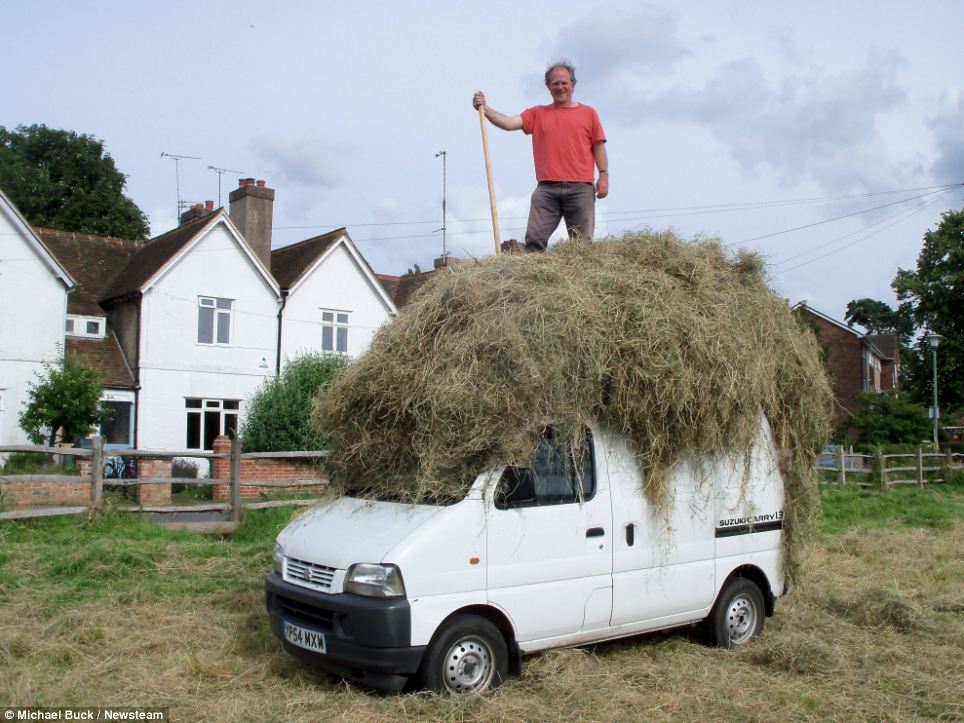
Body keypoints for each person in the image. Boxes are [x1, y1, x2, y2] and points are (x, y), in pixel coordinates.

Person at [473, 60, 608, 253]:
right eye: (555, 83)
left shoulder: (588, 114)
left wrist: (604, 174)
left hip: (580, 187)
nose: (560, 87)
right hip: (547, 190)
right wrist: (485, 109)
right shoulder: (538, 113)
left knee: (582, 246)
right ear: (548, 86)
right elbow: (510, 123)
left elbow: (598, 146)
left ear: (573, 85)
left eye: (564, 83)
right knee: (534, 240)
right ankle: (535, 280)